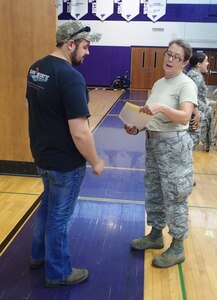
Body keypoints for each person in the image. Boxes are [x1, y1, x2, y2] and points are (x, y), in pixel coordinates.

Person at [26, 21, 105, 287]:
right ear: (70, 44)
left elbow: (35, 110)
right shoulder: (71, 77)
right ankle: (58, 272)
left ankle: (38, 256)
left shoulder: (36, 68)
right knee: (60, 217)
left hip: (43, 155)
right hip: (64, 162)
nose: (88, 52)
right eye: (85, 46)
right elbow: (80, 132)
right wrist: (95, 160)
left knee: (47, 208)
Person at [124, 39, 198, 268]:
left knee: (175, 196)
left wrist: (163, 108)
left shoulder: (185, 84)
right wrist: (137, 125)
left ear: (184, 62)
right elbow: (151, 115)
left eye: (177, 57)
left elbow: (185, 117)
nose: (170, 59)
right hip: (153, 144)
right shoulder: (158, 83)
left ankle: (177, 247)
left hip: (174, 148)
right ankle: (156, 235)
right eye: (168, 54)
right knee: (154, 191)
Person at [187, 52, 214, 152]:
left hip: (197, 111)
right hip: (195, 114)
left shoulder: (193, 74)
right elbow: (190, 96)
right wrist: (196, 113)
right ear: (198, 64)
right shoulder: (196, 77)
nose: (207, 64)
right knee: (193, 138)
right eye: (206, 61)